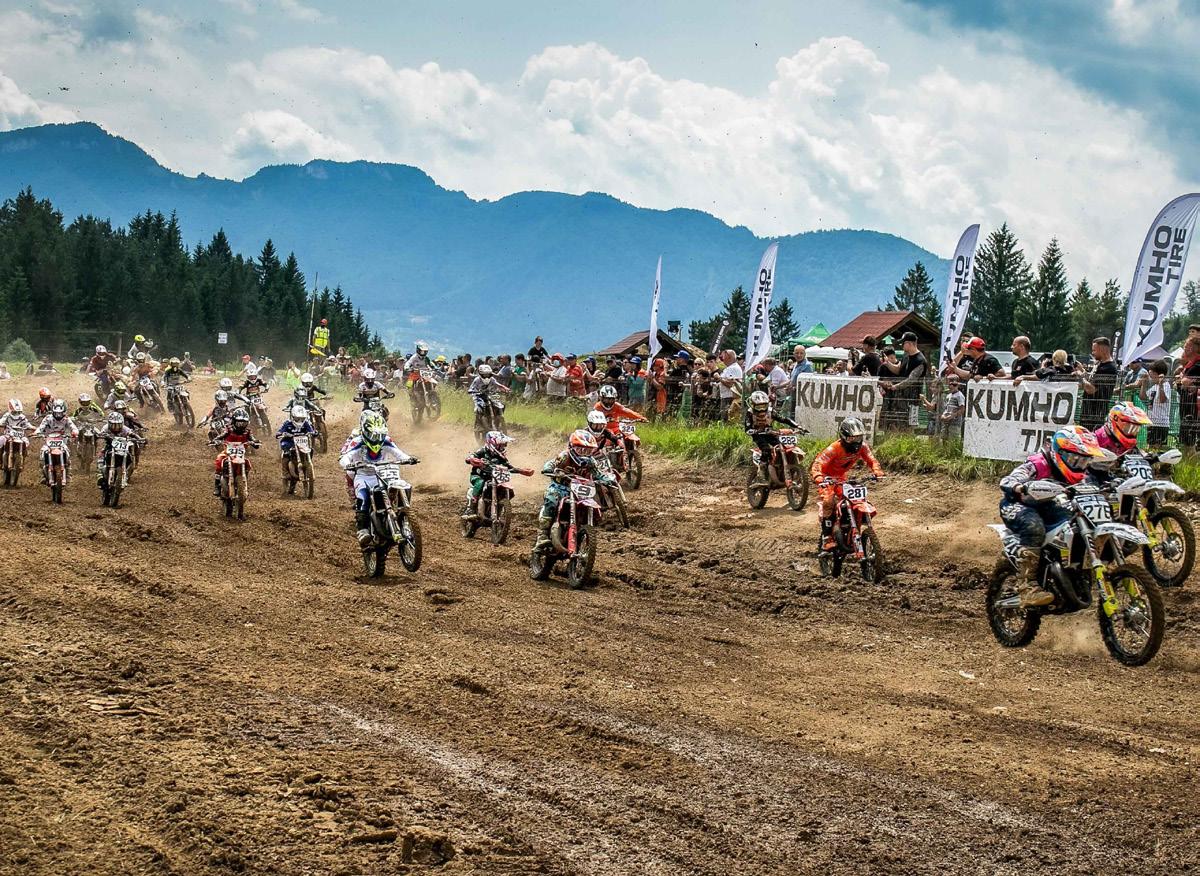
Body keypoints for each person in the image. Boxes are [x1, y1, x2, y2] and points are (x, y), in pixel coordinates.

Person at [998, 426, 1104, 607]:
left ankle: (1069, 571)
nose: (1080, 465)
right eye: (1076, 459)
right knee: (1034, 527)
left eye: (1085, 461)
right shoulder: (1038, 463)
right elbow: (1008, 480)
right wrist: (1019, 486)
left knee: (1077, 522)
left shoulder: (1082, 473)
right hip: (1019, 504)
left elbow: (1094, 484)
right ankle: (1027, 586)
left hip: (1049, 506)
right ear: (1060, 453)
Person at [338, 412, 419, 545]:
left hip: (384, 472)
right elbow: (346, 456)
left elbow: (398, 453)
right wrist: (348, 464)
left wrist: (409, 459)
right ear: (365, 432)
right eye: (373, 435)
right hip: (364, 475)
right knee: (363, 496)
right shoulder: (357, 441)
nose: (376, 439)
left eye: (380, 435)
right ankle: (363, 529)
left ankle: (404, 517)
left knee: (404, 486)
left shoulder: (386, 440)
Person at [533, 429, 615, 554]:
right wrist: (549, 469)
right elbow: (551, 464)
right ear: (572, 447)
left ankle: (585, 530)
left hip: (580, 489)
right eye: (580, 449)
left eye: (588, 450)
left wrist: (608, 479)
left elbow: (598, 474)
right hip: (560, 487)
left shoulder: (591, 461)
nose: (584, 453)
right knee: (551, 500)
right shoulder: (564, 456)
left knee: (594, 504)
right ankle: (542, 535)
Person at [810, 417, 884, 552]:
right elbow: (818, 463)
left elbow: (872, 460)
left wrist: (877, 471)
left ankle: (851, 526)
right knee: (829, 501)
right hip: (827, 478)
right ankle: (827, 537)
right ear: (843, 437)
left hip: (841, 478)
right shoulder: (834, 448)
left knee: (855, 499)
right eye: (852, 438)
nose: (856, 442)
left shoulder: (863, 447)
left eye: (858, 437)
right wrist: (818, 476)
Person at [461, 430, 532, 520]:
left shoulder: (501, 457)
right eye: (501, 445)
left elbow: (509, 467)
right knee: (480, 483)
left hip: (494, 478)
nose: (503, 447)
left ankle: (499, 507)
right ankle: (470, 509)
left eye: (504, 445)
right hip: (478, 476)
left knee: (509, 490)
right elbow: (470, 457)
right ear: (493, 444)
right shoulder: (483, 451)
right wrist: (472, 459)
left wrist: (521, 471)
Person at [744, 390, 802, 486]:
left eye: (763, 406)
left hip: (770, 433)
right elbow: (747, 429)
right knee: (766, 449)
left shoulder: (771, 411)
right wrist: (756, 431)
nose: (761, 409)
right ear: (753, 405)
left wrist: (797, 426)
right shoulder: (750, 413)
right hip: (758, 435)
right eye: (759, 406)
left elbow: (783, 419)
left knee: (783, 447)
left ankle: (781, 466)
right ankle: (761, 474)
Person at [879, 332, 928, 428]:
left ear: (909, 343)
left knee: (910, 426)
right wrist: (887, 363)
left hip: (912, 399)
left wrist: (895, 387)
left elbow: (911, 380)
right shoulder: (906, 356)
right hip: (900, 398)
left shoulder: (920, 360)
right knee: (897, 424)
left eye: (903, 343)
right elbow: (898, 369)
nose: (902, 345)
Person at [211, 408, 261, 497]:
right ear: (234, 421)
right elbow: (221, 436)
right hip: (227, 452)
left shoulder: (247, 432)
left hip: (240, 454)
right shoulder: (228, 429)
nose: (241, 425)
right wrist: (216, 440)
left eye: (244, 423)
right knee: (219, 460)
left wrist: (255, 442)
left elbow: (253, 439)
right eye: (239, 423)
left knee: (247, 464)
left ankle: (244, 481)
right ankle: (217, 486)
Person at [33, 399, 79, 484]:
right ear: (53, 411)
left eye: (60, 413)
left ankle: (68, 475)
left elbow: (73, 427)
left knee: (67, 455)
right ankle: (43, 475)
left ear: (64, 412)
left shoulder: (66, 419)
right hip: (49, 441)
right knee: (42, 454)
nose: (58, 415)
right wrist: (37, 432)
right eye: (56, 413)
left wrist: (75, 432)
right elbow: (41, 427)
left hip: (61, 441)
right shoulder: (48, 418)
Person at [1078, 337, 1119, 431]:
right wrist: (1082, 371)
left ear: (1103, 349)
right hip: (1089, 410)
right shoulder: (1100, 364)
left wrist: (1080, 377)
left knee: (1090, 436)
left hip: (1096, 412)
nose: (1092, 353)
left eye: (1094, 350)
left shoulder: (1109, 368)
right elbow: (1092, 381)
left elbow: (1092, 389)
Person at [275, 405, 318, 493]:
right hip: (289, 442)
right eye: (297, 419)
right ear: (293, 417)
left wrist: (314, 433)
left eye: (302, 419)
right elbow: (281, 431)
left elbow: (311, 430)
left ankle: (307, 462)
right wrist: (280, 433)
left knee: (310, 449)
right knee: (286, 454)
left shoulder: (306, 423)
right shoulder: (287, 423)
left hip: (302, 443)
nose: (300, 421)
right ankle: (285, 473)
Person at [95, 412, 144, 488]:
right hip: (110, 446)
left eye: (118, 425)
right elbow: (101, 433)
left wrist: (139, 438)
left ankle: (126, 475)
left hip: (123, 448)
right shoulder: (106, 428)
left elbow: (132, 433)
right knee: (101, 456)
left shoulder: (124, 428)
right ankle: (100, 475)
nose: (116, 428)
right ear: (109, 424)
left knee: (130, 458)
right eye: (113, 425)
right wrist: (100, 435)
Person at [1140, 359, 1173, 448]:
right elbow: (1143, 397)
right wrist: (1143, 384)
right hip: (1152, 422)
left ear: (1158, 374)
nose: (1151, 378)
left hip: (1161, 423)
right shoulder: (1154, 387)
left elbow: (1162, 399)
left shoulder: (1166, 385)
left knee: (1157, 448)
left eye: (1152, 376)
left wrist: (1161, 384)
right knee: (1150, 447)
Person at [921, 375, 965, 439]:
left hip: (953, 422)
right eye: (949, 384)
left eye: (954, 385)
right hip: (945, 421)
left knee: (952, 438)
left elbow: (962, 409)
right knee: (943, 438)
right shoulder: (948, 396)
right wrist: (944, 415)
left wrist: (924, 399)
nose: (951, 386)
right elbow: (945, 408)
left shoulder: (959, 396)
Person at [0, 399, 33, 464]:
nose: (17, 414)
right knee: (1, 440)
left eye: (19, 412)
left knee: (26, 441)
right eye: (14, 412)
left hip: (20, 436)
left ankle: (23, 455)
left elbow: (27, 424)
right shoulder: (7, 416)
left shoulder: (22, 417)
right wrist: (1, 424)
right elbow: (1, 421)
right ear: (10, 410)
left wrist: (33, 427)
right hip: (8, 435)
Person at [716, 349, 742, 420]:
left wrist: (719, 378)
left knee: (727, 419)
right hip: (726, 397)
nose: (722, 358)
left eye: (723, 356)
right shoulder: (729, 368)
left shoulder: (733, 368)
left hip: (730, 398)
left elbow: (731, 384)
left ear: (729, 357)